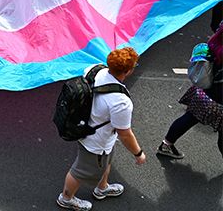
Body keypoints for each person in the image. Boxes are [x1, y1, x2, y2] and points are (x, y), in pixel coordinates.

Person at [56, 47, 146, 211]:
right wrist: (138, 153)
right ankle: (66, 198)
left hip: (85, 127)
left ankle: (102, 188)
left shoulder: (95, 70)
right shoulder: (120, 102)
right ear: (127, 71)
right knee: (79, 171)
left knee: (107, 161)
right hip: (96, 141)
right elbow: (125, 133)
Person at [157, 24, 223, 160]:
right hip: (219, 96)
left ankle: (166, 144)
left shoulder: (216, 41)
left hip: (207, 89)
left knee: (190, 117)